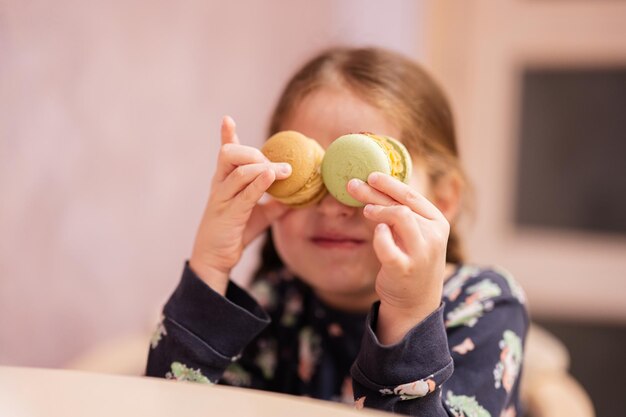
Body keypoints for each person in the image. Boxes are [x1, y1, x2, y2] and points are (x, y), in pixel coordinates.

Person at [146, 46, 528, 416]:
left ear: (443, 199)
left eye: (364, 179)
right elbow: (169, 408)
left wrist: (408, 316)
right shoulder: (278, 302)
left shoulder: (485, 305)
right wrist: (210, 266)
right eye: (308, 178)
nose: (330, 206)